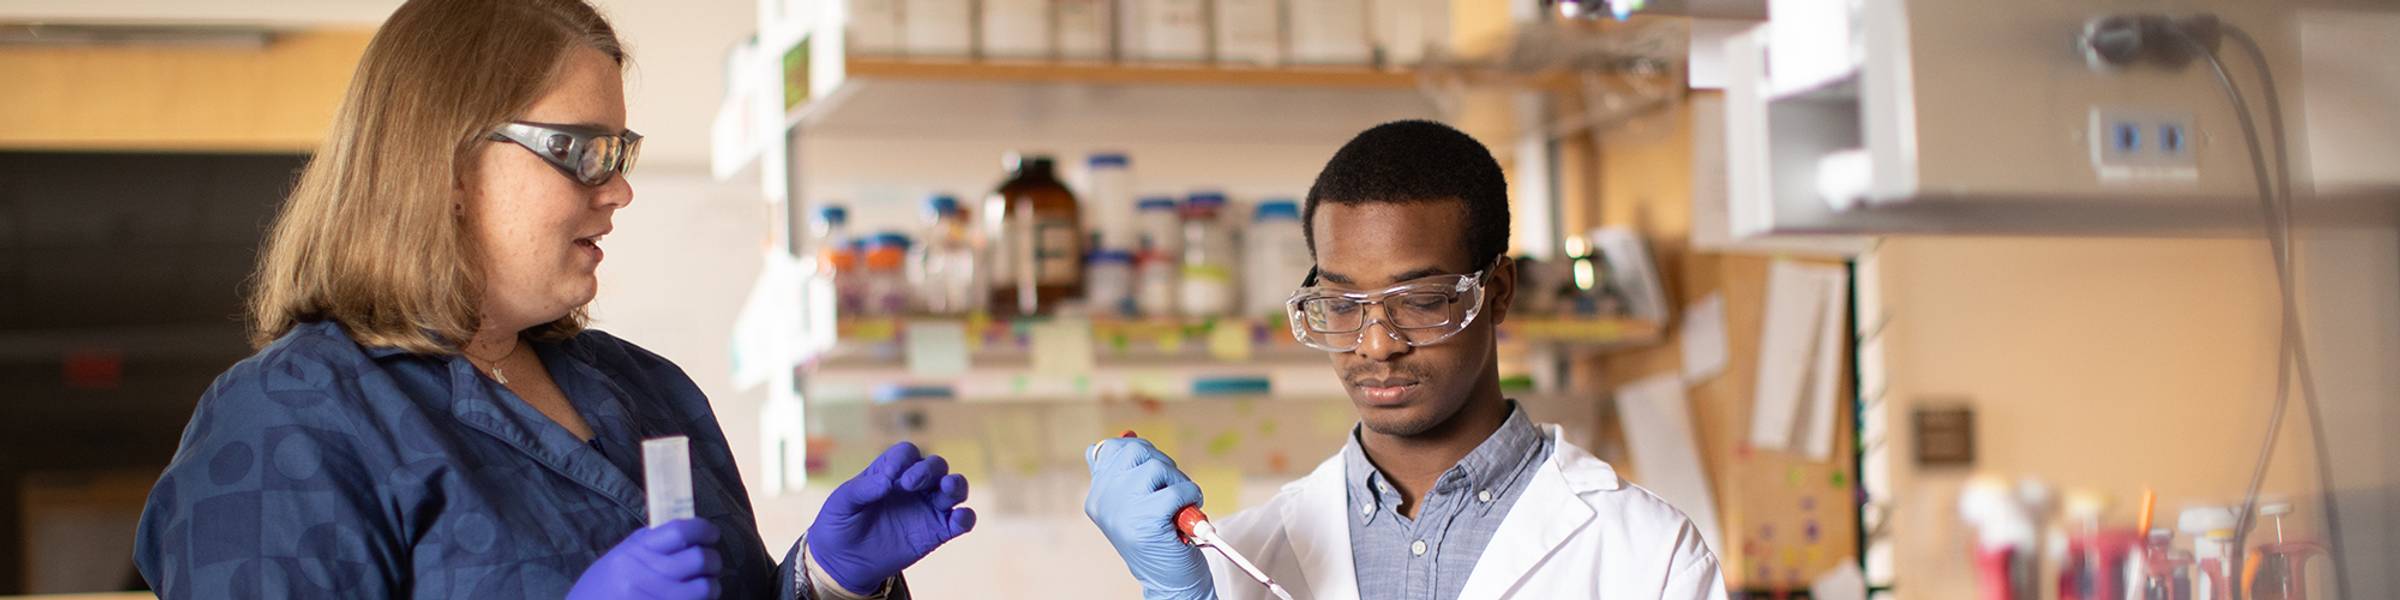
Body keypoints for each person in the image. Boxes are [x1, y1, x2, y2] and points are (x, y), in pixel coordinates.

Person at [129, 1, 970, 598]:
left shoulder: (646, 393)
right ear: (449, 164)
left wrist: (826, 580)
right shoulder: (289, 421)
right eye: (583, 150)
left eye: (623, 152)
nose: (618, 192)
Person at [1083, 120, 1728, 599]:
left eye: (1419, 301)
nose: (1375, 343)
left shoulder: (1646, 554)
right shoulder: (1244, 556)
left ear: (1496, 293)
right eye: (1341, 304)